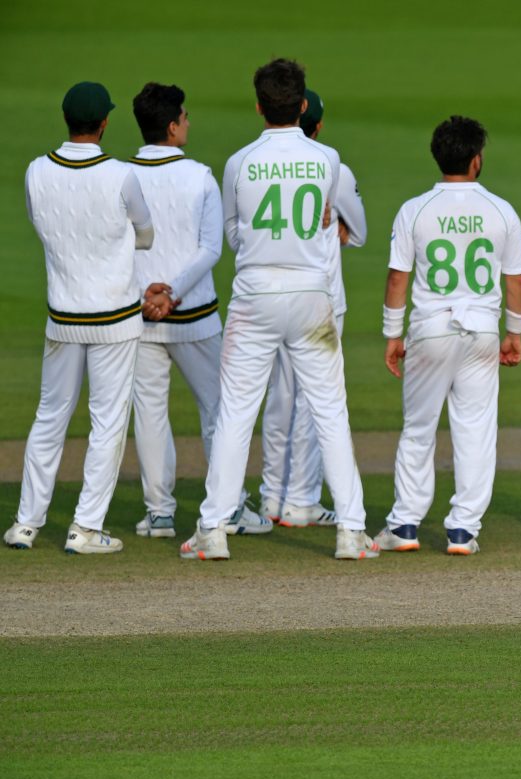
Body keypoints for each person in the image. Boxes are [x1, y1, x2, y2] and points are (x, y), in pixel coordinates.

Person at [180, 58, 376, 561]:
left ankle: (214, 528)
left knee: (236, 414)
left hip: (255, 296)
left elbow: (231, 233)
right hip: (313, 296)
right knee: (331, 411)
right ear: (303, 105)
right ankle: (352, 531)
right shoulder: (328, 159)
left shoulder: (239, 162)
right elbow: (331, 219)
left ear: (259, 105)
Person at [5, 82, 153, 554]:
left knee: (50, 417)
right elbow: (146, 235)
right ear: (105, 122)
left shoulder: (35, 171)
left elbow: (40, 224)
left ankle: (25, 524)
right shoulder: (121, 175)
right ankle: (85, 528)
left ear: (67, 120)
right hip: (114, 317)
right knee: (107, 422)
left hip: (63, 316)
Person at [375, 115, 521, 555]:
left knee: (419, 428)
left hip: (430, 330)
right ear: (477, 160)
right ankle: (463, 530)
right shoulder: (502, 209)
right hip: (482, 331)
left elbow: (397, 277)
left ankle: (405, 524)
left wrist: (392, 334)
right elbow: (515, 281)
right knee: (476, 430)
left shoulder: (415, 209)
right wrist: (514, 333)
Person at [127, 82, 270, 540]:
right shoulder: (200, 176)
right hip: (196, 318)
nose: (189, 122)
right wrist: (175, 295)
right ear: (171, 127)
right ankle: (228, 509)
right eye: (185, 117)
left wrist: (150, 298)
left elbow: (117, 250)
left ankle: (160, 513)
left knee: (150, 411)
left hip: (142, 315)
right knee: (220, 411)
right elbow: (211, 250)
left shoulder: (121, 176)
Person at [259, 89, 367, 528]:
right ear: (316, 125)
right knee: (315, 401)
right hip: (320, 298)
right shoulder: (331, 165)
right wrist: (336, 222)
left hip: (266, 294)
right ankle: (301, 499)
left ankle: (271, 497)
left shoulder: (255, 161)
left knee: (279, 398)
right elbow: (357, 232)